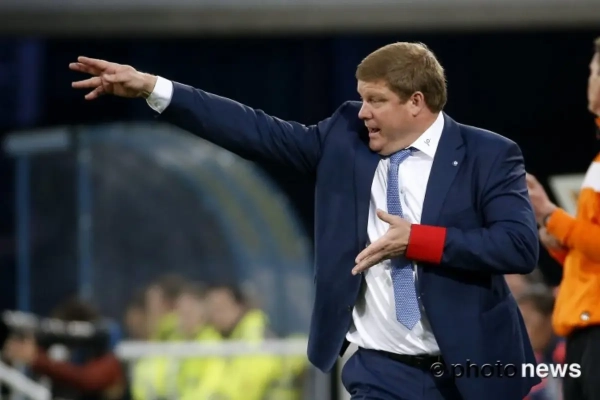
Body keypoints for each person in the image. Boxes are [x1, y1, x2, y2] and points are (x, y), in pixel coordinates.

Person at [69, 42, 540, 400]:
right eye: (361, 98)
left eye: (376, 100)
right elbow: (254, 130)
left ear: (416, 102)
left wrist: (417, 241)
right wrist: (153, 87)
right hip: (382, 371)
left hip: (472, 369)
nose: (363, 112)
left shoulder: (488, 154)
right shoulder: (345, 137)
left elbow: (517, 246)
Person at [526, 37, 600, 400]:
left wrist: (551, 215)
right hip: (582, 332)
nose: (590, 79)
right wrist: (559, 245)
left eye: (595, 71)